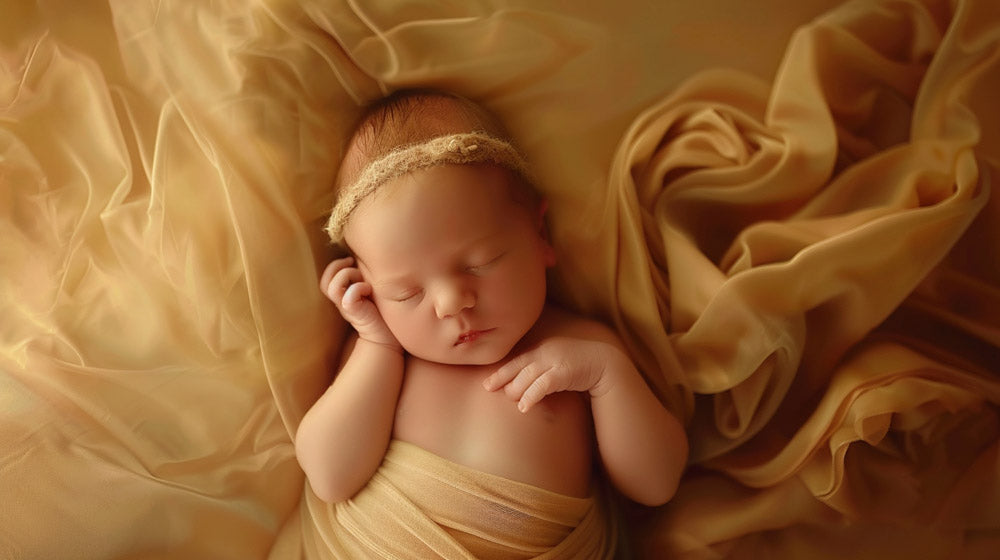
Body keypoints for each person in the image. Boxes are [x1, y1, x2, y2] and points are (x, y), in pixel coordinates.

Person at [295, 89, 688, 559]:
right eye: (407, 292)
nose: (450, 302)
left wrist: (609, 378)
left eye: (481, 263)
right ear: (370, 287)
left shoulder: (584, 351)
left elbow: (657, 484)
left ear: (538, 234)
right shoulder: (383, 355)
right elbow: (328, 476)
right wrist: (376, 344)